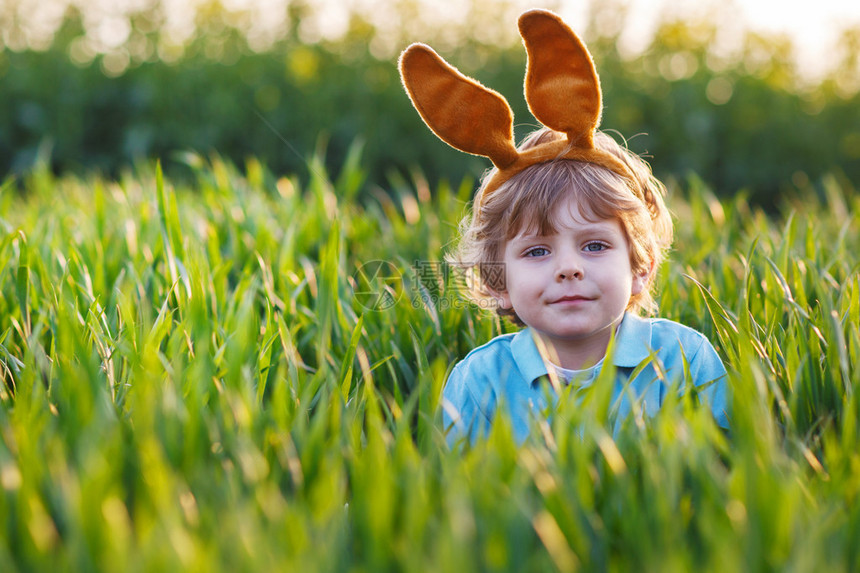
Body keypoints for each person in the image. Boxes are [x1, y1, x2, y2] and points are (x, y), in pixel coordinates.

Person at [398, 9, 729, 444]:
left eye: (594, 245)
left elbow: (725, 474)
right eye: (537, 251)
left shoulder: (687, 360)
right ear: (497, 280)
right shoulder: (479, 380)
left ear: (640, 266)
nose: (568, 268)